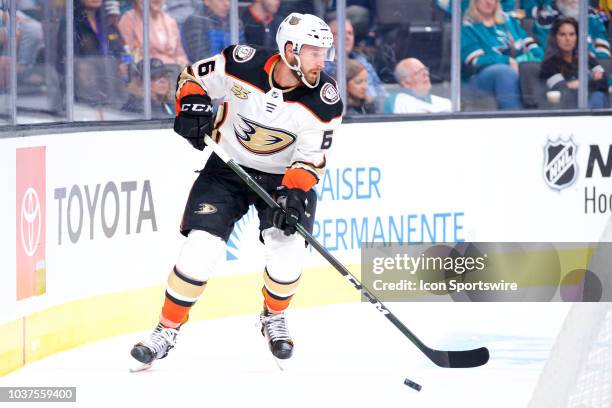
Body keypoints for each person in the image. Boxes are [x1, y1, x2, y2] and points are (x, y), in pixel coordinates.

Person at [130, 13, 343, 367]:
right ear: (290, 50)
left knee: (287, 255)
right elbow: (192, 77)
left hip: (282, 180)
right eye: (314, 52)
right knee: (200, 248)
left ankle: (273, 316)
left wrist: (292, 194)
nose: (322, 61)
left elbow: (310, 160)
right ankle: (165, 331)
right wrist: (191, 106)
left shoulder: (325, 99)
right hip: (227, 168)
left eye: (324, 53)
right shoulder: (240, 62)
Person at [461, 0, 544, 110]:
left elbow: (528, 43)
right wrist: (507, 61)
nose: (489, 2)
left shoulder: (509, 20)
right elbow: (475, 61)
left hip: (519, 68)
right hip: (480, 78)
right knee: (504, 72)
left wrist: (543, 59)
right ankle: (514, 119)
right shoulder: (468, 26)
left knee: (537, 67)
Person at [539, 16, 609, 108]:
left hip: (592, 102)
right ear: (555, 38)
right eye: (562, 35)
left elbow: (604, 82)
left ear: (577, 37)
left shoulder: (587, 58)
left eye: (572, 34)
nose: (568, 39)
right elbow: (561, 88)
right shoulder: (548, 65)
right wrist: (592, 81)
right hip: (567, 110)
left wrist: (578, 83)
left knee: (598, 96)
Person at [325, 18, 387, 112]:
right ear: (328, 38)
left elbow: (382, 93)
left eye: (350, 33)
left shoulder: (362, 61)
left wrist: (371, 101)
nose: (347, 37)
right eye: (341, 33)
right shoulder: (320, 64)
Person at [531, 0, 610, 59]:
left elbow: (602, 41)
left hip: (594, 68)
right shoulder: (545, 18)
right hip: (562, 69)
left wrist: (600, 65)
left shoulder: (592, 14)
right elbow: (549, 51)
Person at [118, 0, 188, 67]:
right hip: (145, 74)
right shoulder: (128, 20)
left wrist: (180, 65)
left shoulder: (170, 21)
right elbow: (125, 56)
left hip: (172, 73)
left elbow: (180, 55)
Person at [386, 58, 451, 114]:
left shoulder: (445, 103)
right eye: (419, 71)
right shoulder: (398, 101)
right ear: (406, 83)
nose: (426, 73)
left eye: (425, 69)